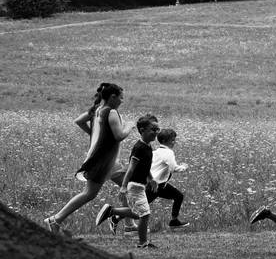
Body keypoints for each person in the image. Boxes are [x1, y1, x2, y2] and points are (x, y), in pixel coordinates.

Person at [45, 83, 131, 234]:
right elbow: (119, 136)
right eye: (121, 97)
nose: (122, 101)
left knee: (129, 187)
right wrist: (129, 127)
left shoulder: (96, 110)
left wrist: (96, 136)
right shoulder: (111, 112)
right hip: (102, 161)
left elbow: (79, 121)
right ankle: (55, 219)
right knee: (89, 194)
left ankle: (130, 224)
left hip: (109, 161)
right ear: (112, 97)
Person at [95, 114, 160, 249]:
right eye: (153, 129)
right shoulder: (139, 147)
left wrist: (151, 179)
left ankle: (112, 211)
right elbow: (131, 168)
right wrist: (123, 186)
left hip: (140, 185)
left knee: (138, 213)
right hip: (134, 185)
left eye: (157, 130)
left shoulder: (148, 147)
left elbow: (145, 166)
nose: (156, 133)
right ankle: (143, 243)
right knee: (145, 214)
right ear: (142, 130)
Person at [146, 128, 190, 229]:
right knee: (141, 206)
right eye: (173, 140)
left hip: (159, 184)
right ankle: (116, 216)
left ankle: (174, 221)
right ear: (165, 141)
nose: (175, 142)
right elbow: (174, 168)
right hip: (156, 186)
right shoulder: (168, 153)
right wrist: (184, 167)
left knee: (178, 196)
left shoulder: (156, 152)